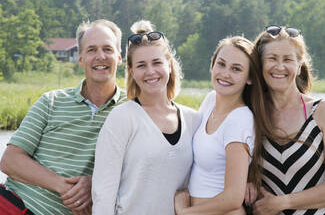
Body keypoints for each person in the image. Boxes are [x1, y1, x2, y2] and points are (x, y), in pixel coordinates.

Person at [0, 19, 126, 215]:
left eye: (108, 49)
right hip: (14, 205)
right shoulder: (51, 101)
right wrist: (63, 186)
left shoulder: (133, 110)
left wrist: (94, 186)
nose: (100, 56)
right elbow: (10, 161)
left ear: (119, 57)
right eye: (91, 50)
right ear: (81, 58)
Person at [91, 20, 201, 215]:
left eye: (157, 62)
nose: (150, 72)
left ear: (169, 65)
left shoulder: (194, 120)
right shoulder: (122, 118)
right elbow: (103, 192)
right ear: (132, 72)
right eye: (141, 65)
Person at [245, 25, 325, 214]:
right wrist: (246, 182)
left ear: (300, 63)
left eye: (288, 59)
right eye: (272, 59)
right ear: (260, 64)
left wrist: (282, 202)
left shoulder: (322, 112)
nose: (280, 67)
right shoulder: (251, 114)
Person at [175, 36, 270, 215]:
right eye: (221, 64)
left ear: (249, 78)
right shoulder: (210, 100)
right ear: (212, 65)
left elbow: (233, 198)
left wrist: (183, 212)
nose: (225, 73)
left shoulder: (239, 120)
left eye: (236, 69)